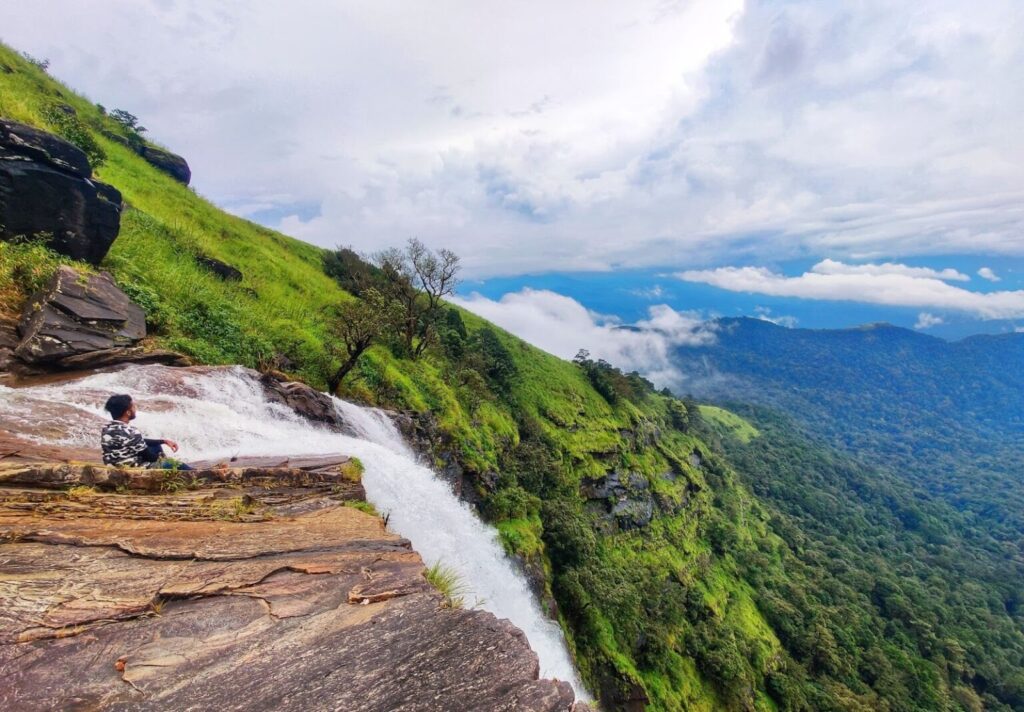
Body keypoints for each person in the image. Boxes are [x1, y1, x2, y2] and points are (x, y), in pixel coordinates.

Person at [100, 394, 193, 470]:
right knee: (175, 463)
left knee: (156, 446)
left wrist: (163, 441)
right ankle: (196, 474)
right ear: (128, 412)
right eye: (133, 407)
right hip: (133, 468)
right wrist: (165, 460)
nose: (135, 409)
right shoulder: (131, 431)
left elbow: (136, 441)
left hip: (114, 466)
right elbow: (149, 457)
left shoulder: (106, 428)